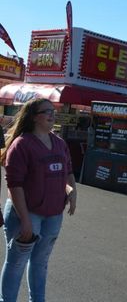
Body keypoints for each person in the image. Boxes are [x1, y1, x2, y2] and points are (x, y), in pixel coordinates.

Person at [0, 98, 77, 302]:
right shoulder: (22, 144)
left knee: (40, 262)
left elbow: (67, 172)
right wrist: (25, 220)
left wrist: (72, 192)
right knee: (16, 263)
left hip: (53, 215)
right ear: (34, 117)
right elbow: (14, 185)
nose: (52, 114)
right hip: (26, 214)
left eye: (53, 111)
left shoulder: (59, 143)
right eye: (47, 111)